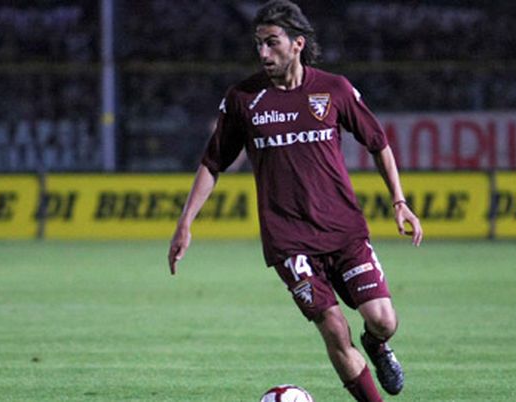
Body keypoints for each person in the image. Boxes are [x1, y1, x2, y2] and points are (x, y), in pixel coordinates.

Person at [168, 1, 423, 401]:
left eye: (272, 42)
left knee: (383, 320)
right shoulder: (244, 99)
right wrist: (185, 223)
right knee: (333, 328)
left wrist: (399, 201)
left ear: (298, 44)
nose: (263, 53)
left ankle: (376, 345)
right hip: (290, 241)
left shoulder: (334, 90)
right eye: (258, 44)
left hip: (343, 231)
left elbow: (378, 143)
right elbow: (212, 163)